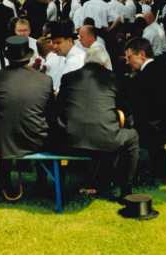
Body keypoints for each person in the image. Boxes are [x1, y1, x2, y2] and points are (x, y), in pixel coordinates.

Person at [54, 47, 139, 198]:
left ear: (85, 61)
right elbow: (125, 109)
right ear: (105, 63)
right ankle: (126, 191)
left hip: (71, 141)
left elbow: (59, 108)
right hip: (105, 140)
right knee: (132, 136)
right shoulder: (115, 78)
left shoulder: (68, 77)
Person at [0, 36, 54, 201]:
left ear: (8, 57)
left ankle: (4, 180)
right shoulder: (44, 80)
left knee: (1, 128)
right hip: (36, 139)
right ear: (28, 57)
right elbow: (49, 112)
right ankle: (41, 180)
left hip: (3, 141)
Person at [124, 38, 166, 151]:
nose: (127, 62)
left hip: (150, 135)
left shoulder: (140, 79)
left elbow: (140, 110)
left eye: (129, 57)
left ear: (142, 54)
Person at [51, 21, 86, 92]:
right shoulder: (72, 56)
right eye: (53, 43)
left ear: (69, 41)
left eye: (58, 43)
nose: (54, 46)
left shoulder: (75, 60)